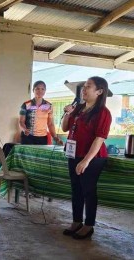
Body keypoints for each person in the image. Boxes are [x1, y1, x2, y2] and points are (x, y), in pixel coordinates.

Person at [61, 77, 111, 240]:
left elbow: (99, 139)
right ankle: (76, 221)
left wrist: (86, 161)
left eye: (88, 86)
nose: (84, 89)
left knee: (88, 191)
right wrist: (67, 114)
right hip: (73, 154)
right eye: (84, 86)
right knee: (76, 189)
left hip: (92, 158)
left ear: (99, 91)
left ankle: (89, 225)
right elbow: (65, 127)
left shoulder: (103, 112)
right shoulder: (79, 108)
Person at [19, 80, 63, 145]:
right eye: (37, 89)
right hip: (28, 137)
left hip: (42, 138)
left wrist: (55, 137)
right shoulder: (26, 104)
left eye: (42, 89)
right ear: (33, 90)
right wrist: (24, 129)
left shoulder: (49, 106)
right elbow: (21, 121)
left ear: (45, 91)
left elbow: (50, 124)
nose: (40, 91)